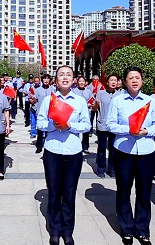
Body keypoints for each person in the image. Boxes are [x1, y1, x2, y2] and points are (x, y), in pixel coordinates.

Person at [106, 67, 155, 245]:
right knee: (123, 190)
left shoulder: (150, 101)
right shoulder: (117, 101)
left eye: (137, 77)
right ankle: (126, 229)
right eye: (131, 77)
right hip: (124, 151)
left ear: (142, 81)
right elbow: (110, 125)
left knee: (144, 192)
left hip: (146, 151)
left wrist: (146, 131)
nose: (134, 80)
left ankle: (142, 230)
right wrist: (128, 130)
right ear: (125, 81)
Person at [37, 66, 91, 245]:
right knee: (54, 192)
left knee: (69, 192)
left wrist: (70, 126)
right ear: (56, 80)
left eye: (69, 75)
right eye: (61, 75)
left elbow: (86, 126)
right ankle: (54, 230)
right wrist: (54, 125)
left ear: (74, 79)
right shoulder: (48, 100)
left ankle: (67, 230)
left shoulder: (80, 101)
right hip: (52, 151)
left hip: (73, 151)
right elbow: (40, 123)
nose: (65, 77)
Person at [92, 74, 121, 178]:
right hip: (103, 125)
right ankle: (100, 169)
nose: (113, 82)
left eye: (115, 80)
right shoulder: (100, 93)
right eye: (111, 80)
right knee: (102, 148)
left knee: (113, 149)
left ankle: (112, 169)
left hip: (114, 126)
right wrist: (95, 104)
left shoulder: (120, 95)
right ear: (107, 82)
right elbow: (95, 109)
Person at [71, 76, 93, 154]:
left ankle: (85, 146)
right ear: (77, 82)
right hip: (76, 113)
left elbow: (92, 100)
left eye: (83, 81)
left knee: (85, 130)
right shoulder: (73, 91)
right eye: (80, 81)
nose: (81, 83)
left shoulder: (89, 91)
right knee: (75, 129)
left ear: (85, 82)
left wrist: (90, 104)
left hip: (86, 113)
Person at [34, 74, 54, 153]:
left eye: (47, 79)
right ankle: (39, 146)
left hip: (50, 113)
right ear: (42, 80)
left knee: (49, 131)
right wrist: (32, 101)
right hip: (40, 112)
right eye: (44, 79)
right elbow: (35, 100)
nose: (46, 80)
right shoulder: (38, 90)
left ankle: (48, 147)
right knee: (40, 130)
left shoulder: (53, 90)